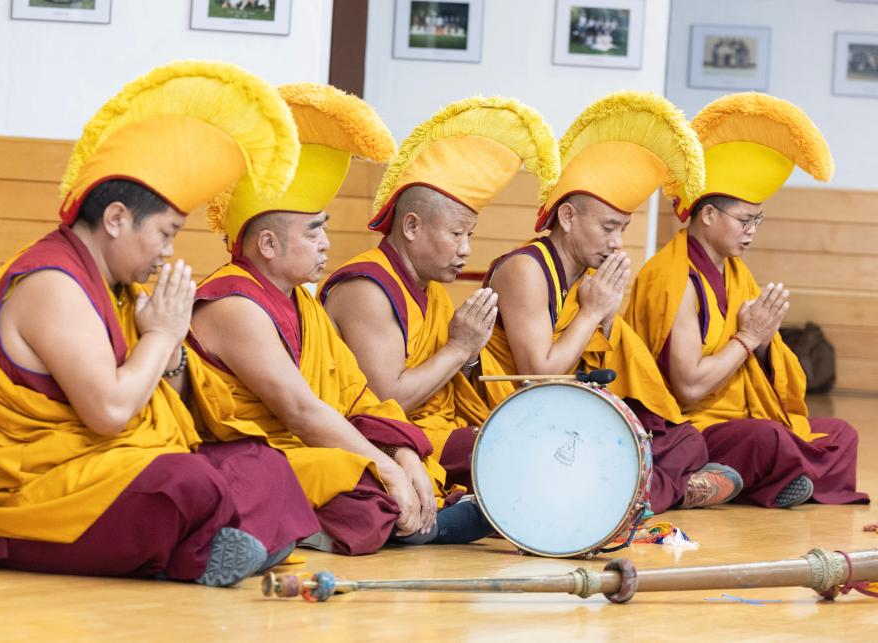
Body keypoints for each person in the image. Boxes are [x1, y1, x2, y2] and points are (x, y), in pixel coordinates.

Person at [0, 62, 320, 587]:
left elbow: (170, 405)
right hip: (26, 503)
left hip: (101, 471)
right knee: (185, 482)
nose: (167, 253)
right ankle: (206, 547)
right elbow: (111, 411)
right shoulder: (54, 284)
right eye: (164, 234)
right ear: (116, 219)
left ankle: (214, 544)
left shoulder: (119, 289)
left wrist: (172, 346)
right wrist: (162, 334)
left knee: (260, 462)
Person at [187, 83, 491, 555]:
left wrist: (401, 451)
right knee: (363, 490)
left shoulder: (301, 303)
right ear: (267, 244)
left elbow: (356, 395)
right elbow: (299, 410)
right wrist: (385, 466)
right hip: (256, 452)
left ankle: (387, 515)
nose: (327, 243)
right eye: (314, 232)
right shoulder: (233, 303)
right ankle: (330, 526)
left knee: (393, 471)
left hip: (304, 448)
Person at [482, 91, 741, 512]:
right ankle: (645, 494)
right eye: (608, 227)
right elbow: (538, 378)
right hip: (522, 418)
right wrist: (593, 313)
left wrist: (603, 320)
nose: (617, 242)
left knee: (685, 439)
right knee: (598, 451)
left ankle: (639, 488)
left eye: (622, 227)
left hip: (572, 409)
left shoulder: (585, 272)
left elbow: (605, 367)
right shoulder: (526, 270)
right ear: (567, 217)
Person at [626, 92, 869, 508]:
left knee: (842, 434)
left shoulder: (736, 272)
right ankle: (762, 477)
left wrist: (763, 345)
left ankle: (762, 479)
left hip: (741, 418)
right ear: (707, 215)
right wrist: (748, 338)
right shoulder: (674, 277)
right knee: (769, 439)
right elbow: (686, 388)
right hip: (691, 428)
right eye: (744, 219)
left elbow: (767, 373)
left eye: (758, 219)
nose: (752, 230)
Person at [320, 97, 560, 489]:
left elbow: (450, 386)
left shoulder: (431, 293)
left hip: (436, 432)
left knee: (543, 432)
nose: (466, 249)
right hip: (393, 441)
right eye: (456, 234)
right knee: (524, 445)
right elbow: (387, 403)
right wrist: (459, 348)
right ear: (412, 226)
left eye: (471, 235)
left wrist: (469, 358)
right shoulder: (367, 287)